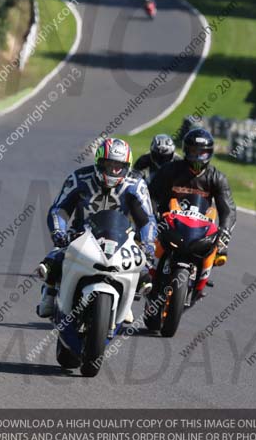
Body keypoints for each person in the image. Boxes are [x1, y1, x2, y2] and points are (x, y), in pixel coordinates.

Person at [36, 138, 157, 322]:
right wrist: (59, 233)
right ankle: (50, 292)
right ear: (98, 163)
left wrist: (148, 244)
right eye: (109, 165)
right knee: (53, 259)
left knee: (144, 267)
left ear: (127, 166)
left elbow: (147, 219)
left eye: (119, 166)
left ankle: (128, 299)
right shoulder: (78, 179)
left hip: (121, 238)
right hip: (82, 235)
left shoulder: (136, 185)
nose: (113, 171)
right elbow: (58, 209)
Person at [148, 128, 236, 296]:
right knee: (146, 246)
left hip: (199, 226)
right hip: (169, 223)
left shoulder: (217, 178)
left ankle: (200, 283)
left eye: (201, 152)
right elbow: (150, 194)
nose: (197, 157)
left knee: (220, 250)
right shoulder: (170, 170)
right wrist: (154, 215)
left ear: (209, 153)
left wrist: (225, 230)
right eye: (194, 151)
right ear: (186, 150)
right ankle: (148, 276)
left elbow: (228, 209)